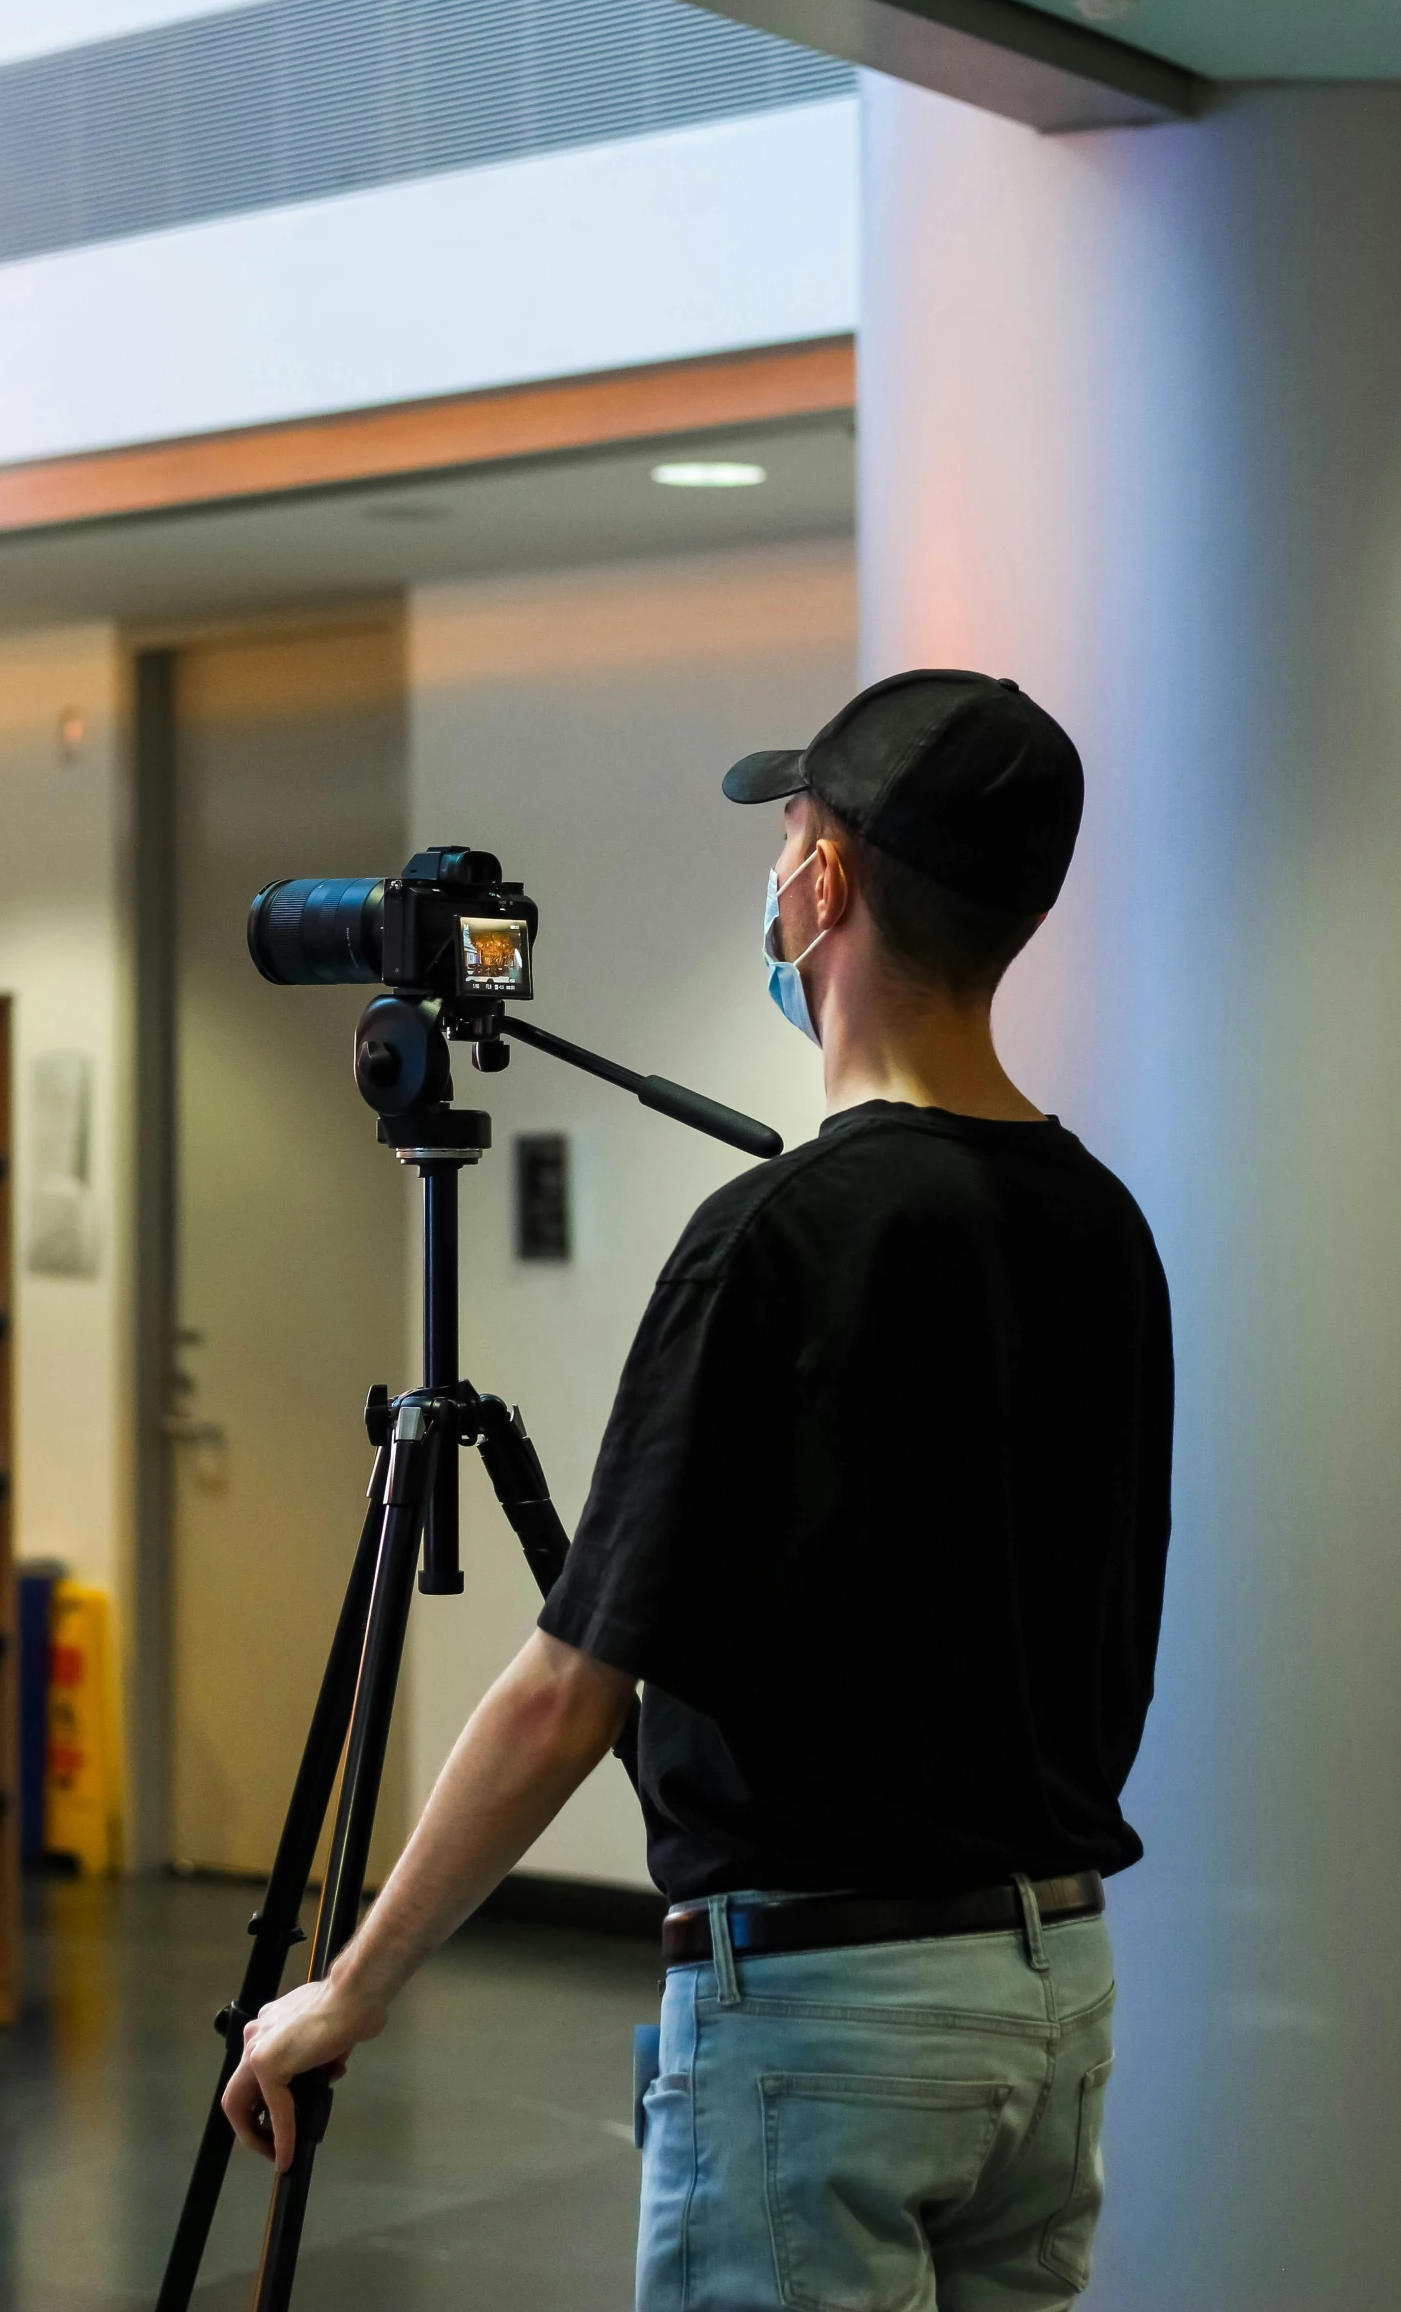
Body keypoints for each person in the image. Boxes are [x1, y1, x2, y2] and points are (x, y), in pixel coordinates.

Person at [223, 668, 1173, 2312]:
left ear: (824, 884)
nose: (779, 872)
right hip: (1052, 1993)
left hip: (827, 2020)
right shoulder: (1102, 1224)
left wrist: (345, 1991)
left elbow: (565, 1692)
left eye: (790, 835)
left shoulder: (781, 1236)